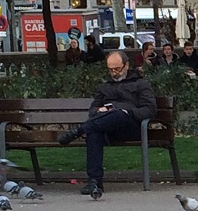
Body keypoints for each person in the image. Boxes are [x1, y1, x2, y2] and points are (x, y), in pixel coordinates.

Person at [56, 51, 156, 200]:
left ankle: (80, 130)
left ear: (126, 65)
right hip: (107, 128)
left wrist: (127, 111)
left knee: (118, 114)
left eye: (117, 69)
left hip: (131, 127)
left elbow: (150, 110)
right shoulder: (105, 87)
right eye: (110, 69)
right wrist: (100, 110)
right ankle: (95, 181)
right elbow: (93, 110)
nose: (114, 73)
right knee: (94, 133)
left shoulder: (140, 84)